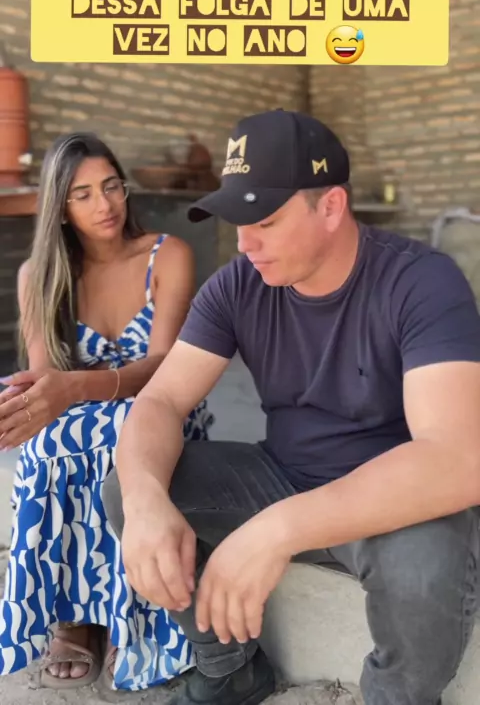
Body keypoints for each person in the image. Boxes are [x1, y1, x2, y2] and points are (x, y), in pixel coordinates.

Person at [103, 109, 480, 705]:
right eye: (237, 222)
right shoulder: (237, 285)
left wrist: (277, 531)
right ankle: (230, 669)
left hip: (390, 503)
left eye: (266, 221)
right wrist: (145, 500)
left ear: (330, 207)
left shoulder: (421, 281)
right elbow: (162, 400)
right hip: (283, 475)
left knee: (424, 559)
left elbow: (456, 459)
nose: (244, 243)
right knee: (130, 484)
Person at [0, 132, 215, 692]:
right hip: (80, 404)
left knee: (123, 429)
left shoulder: (168, 254)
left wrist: (74, 388)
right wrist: (26, 402)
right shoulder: (38, 276)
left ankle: (130, 612)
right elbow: (45, 381)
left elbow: (166, 366)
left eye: (112, 186)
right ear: (60, 208)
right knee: (45, 438)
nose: (105, 204)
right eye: (83, 194)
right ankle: (74, 614)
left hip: (163, 401)